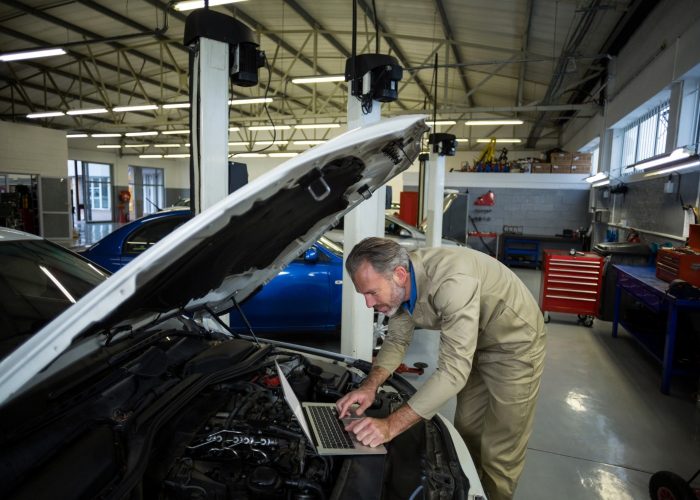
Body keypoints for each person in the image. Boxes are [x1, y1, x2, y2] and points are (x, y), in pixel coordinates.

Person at [336, 237, 546, 500]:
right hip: (474, 342)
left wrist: (390, 426)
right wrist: (370, 386)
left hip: (514, 345)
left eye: (372, 293)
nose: (368, 304)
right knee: (467, 429)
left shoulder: (452, 282)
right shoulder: (400, 284)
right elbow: (397, 340)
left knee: (500, 449)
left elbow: (453, 372)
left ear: (399, 275)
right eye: (363, 294)